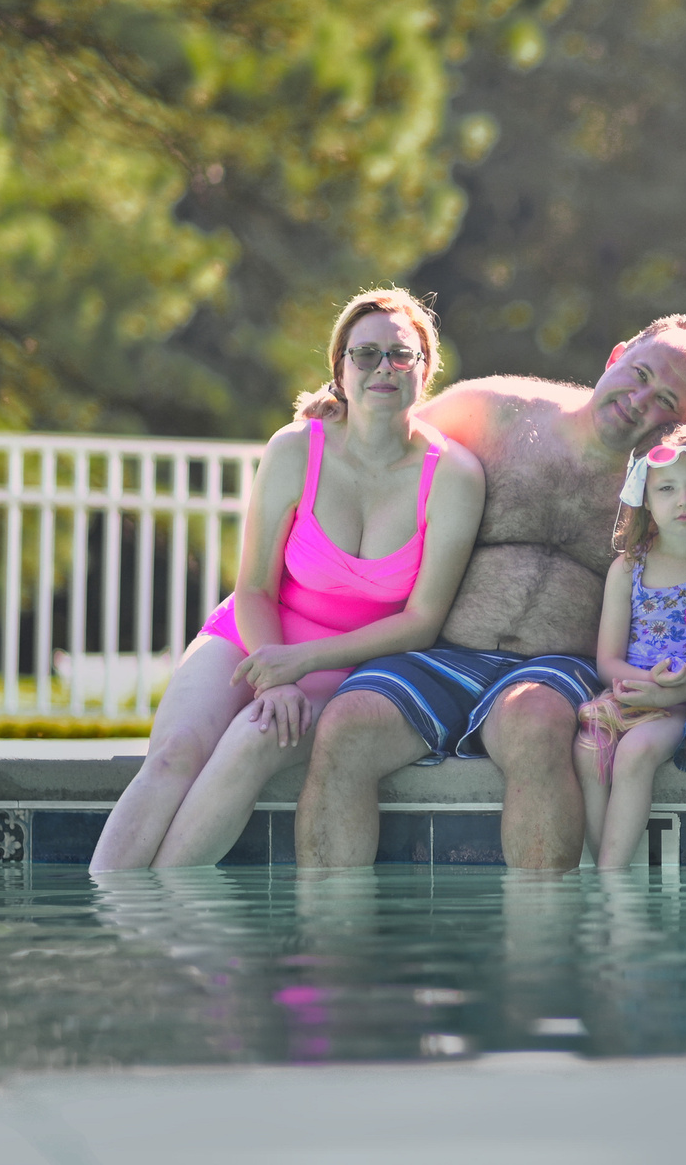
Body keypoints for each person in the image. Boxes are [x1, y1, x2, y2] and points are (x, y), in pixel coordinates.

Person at [294, 314, 686, 869]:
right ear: (616, 354)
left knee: (535, 723)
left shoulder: (671, 483)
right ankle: (330, 944)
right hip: (440, 651)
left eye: (667, 399)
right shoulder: (495, 410)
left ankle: (539, 950)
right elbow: (381, 437)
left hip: (558, 666)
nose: (640, 399)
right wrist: (334, 408)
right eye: (639, 372)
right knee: (347, 724)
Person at [89, 289, 483, 871]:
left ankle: (162, 917)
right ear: (340, 369)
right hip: (253, 634)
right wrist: (273, 673)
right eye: (365, 354)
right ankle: (112, 914)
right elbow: (253, 587)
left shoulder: (453, 475)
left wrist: (300, 668)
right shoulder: (296, 449)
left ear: (424, 371)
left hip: (352, 664)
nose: (382, 368)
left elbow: (421, 623)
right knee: (173, 754)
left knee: (251, 738)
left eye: (400, 355)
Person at [574, 423, 686, 869]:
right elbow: (608, 661)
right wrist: (645, 685)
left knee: (635, 754)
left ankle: (612, 878)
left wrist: (670, 692)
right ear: (645, 500)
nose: (683, 500)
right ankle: (606, 868)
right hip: (634, 691)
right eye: (667, 489)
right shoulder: (628, 569)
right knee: (589, 747)